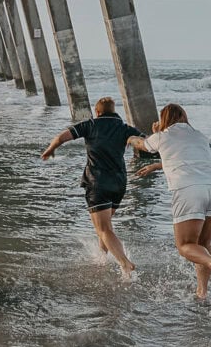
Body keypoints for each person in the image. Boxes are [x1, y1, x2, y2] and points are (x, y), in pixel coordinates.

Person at [127, 103, 211, 298]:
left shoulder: (162, 136)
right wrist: (157, 166)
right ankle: (202, 291)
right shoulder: (199, 136)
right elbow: (184, 159)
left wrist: (131, 138)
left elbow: (143, 145)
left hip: (188, 190)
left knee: (185, 246)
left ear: (164, 119)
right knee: (203, 242)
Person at [41, 97, 141, 277]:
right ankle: (102, 259)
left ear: (97, 111)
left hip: (98, 182)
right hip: (119, 183)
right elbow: (145, 144)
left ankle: (124, 262)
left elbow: (61, 137)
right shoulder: (125, 128)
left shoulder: (90, 125)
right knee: (105, 226)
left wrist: (50, 150)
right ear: (114, 110)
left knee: (104, 229)